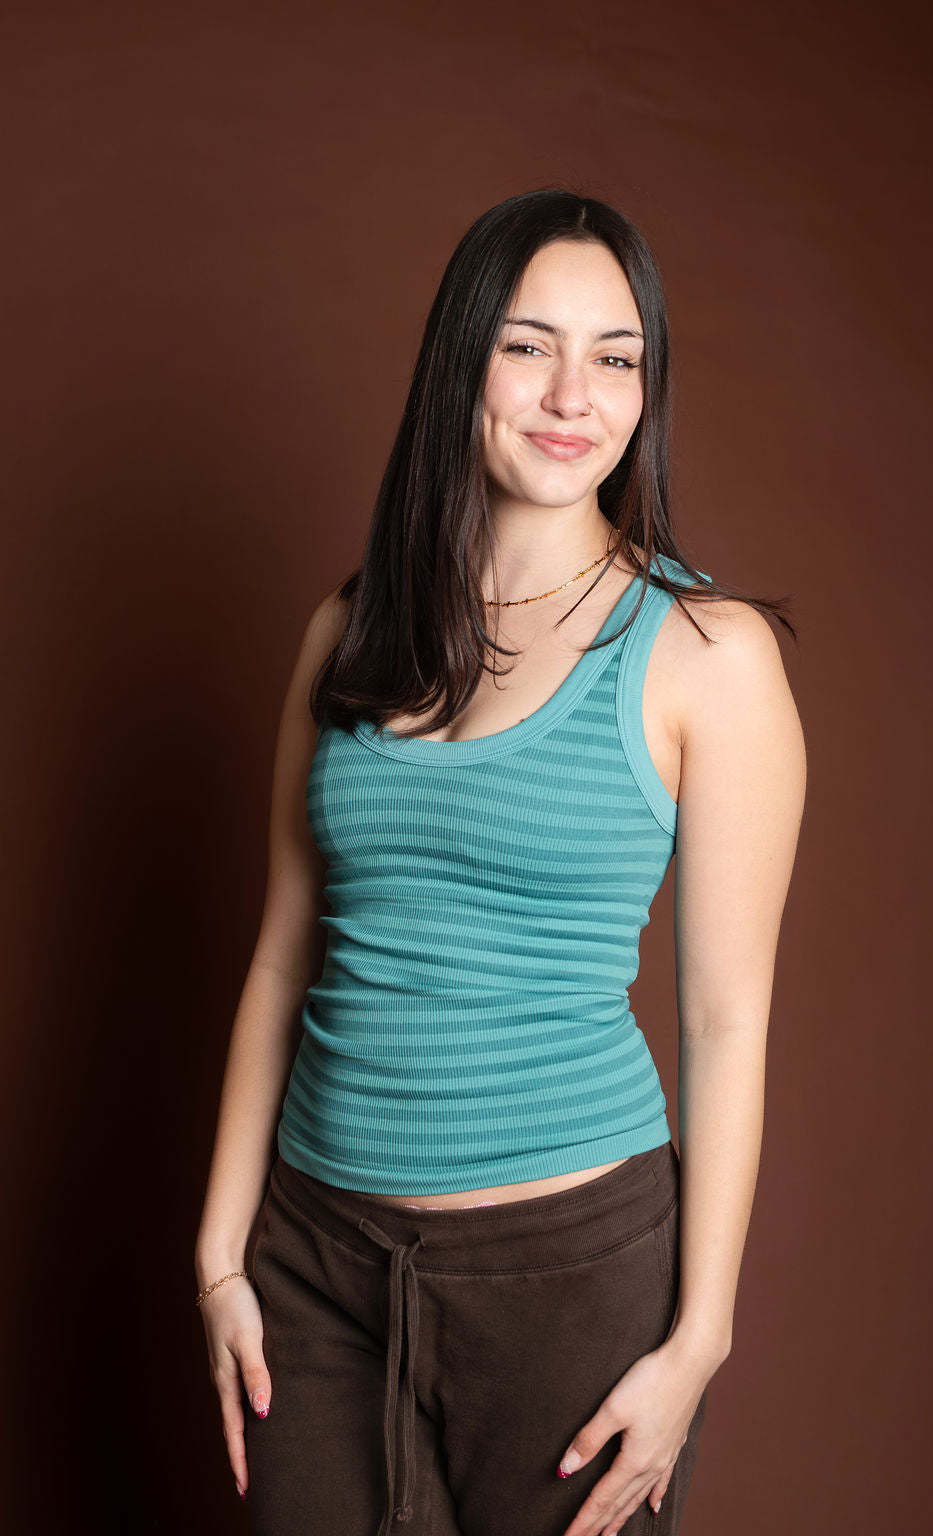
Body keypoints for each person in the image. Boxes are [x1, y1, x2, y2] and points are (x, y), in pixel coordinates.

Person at [194, 187, 806, 1536]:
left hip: (568, 1280)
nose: (573, 394)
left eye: (616, 357)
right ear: (459, 362)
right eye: (529, 346)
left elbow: (727, 1019)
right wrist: (220, 1256)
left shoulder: (709, 658)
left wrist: (699, 1337)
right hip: (315, 1267)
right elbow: (283, 956)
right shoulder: (349, 632)